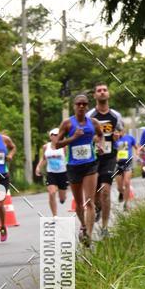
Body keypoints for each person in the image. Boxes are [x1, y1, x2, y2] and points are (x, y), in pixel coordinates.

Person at [55, 94, 103, 245]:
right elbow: (56, 144)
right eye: (78, 104)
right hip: (74, 166)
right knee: (79, 202)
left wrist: (99, 145)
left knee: (90, 201)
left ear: (87, 106)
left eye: (84, 104)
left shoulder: (93, 123)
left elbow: (100, 135)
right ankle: (83, 224)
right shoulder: (68, 123)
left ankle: (88, 234)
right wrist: (73, 138)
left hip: (90, 164)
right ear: (74, 106)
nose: (81, 106)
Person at [88, 83, 124, 237]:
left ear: (108, 94)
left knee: (105, 191)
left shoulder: (115, 115)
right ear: (95, 95)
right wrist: (94, 140)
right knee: (95, 195)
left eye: (104, 90)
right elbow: (85, 133)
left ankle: (104, 228)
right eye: (99, 91)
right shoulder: (90, 116)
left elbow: (121, 130)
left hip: (109, 156)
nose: (102, 93)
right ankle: (97, 208)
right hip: (93, 157)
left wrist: (118, 135)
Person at [35, 128, 68, 215]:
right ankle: (54, 215)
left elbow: (68, 158)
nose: (57, 137)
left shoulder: (64, 147)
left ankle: (63, 197)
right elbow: (43, 159)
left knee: (62, 199)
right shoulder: (46, 147)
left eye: (58, 135)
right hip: (51, 173)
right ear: (51, 136)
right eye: (55, 135)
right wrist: (38, 167)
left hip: (63, 173)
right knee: (52, 192)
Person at [114, 130, 137, 211]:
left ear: (123, 130)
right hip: (118, 164)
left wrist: (137, 153)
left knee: (127, 182)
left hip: (128, 162)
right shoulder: (113, 139)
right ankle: (121, 193)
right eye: (116, 131)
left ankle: (126, 204)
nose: (118, 133)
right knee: (119, 187)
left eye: (119, 131)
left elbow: (135, 146)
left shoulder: (129, 138)